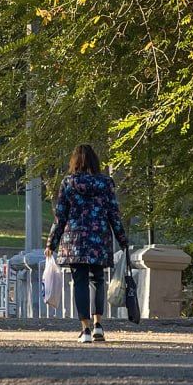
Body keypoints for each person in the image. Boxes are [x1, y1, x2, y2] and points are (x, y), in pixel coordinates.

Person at [44, 143, 128, 344]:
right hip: (99, 238)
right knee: (98, 280)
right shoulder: (106, 183)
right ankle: (98, 325)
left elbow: (60, 216)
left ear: (74, 161)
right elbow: (114, 214)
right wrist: (122, 239)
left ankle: (85, 329)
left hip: (74, 240)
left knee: (80, 282)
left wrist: (51, 243)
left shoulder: (68, 183)